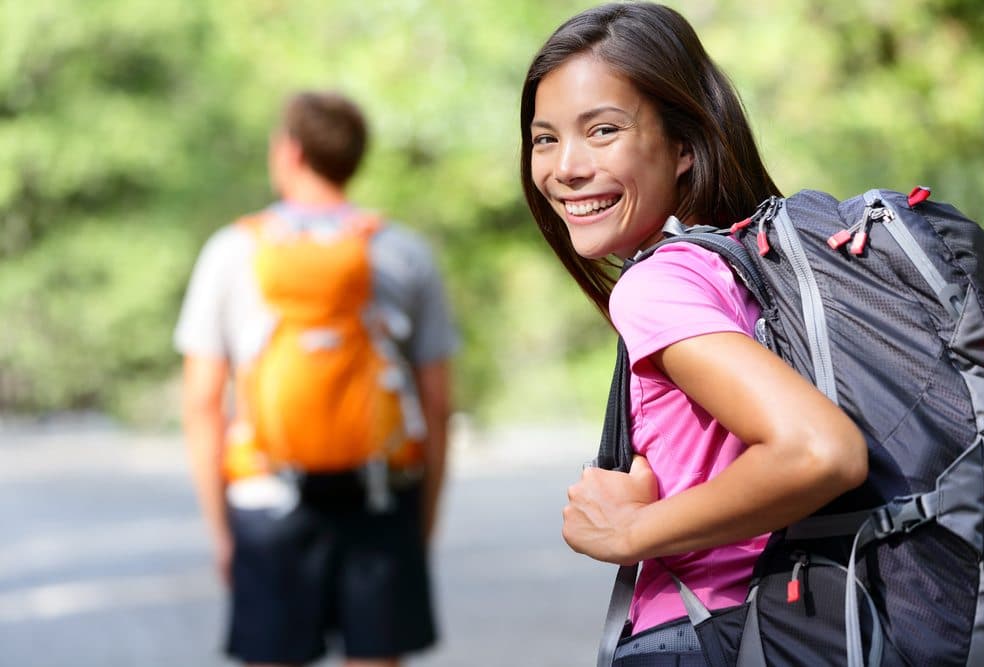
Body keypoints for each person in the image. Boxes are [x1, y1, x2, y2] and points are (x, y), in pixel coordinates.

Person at [520, 3, 868, 664]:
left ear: (684, 145)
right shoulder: (745, 261)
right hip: (792, 624)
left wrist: (633, 529)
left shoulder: (658, 285)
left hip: (707, 630)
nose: (564, 166)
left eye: (602, 130)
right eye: (544, 138)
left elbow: (821, 450)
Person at [175, 90, 458, 667]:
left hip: (265, 500)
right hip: (381, 494)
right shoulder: (403, 252)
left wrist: (222, 533)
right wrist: (422, 523)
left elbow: (203, 402)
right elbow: (436, 403)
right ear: (355, 159)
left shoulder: (232, 252)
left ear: (289, 152)